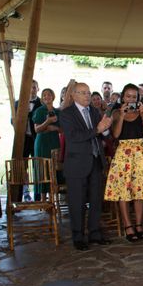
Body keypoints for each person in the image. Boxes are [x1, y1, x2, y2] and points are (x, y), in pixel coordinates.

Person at [104, 84, 143, 242]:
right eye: (128, 96)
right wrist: (121, 116)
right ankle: (128, 226)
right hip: (123, 153)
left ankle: (139, 224)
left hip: (140, 153)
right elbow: (115, 134)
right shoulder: (116, 113)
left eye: (134, 97)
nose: (130, 99)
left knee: (140, 191)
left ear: (138, 99)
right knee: (124, 191)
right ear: (123, 97)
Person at [59, 82, 112, 250]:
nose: (87, 95)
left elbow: (102, 134)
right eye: (83, 92)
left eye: (88, 92)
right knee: (77, 202)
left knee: (96, 200)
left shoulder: (94, 111)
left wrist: (105, 130)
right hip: (76, 164)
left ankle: (95, 233)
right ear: (73, 95)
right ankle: (78, 236)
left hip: (96, 161)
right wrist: (98, 129)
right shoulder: (67, 114)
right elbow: (74, 136)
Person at [14, 80, 42, 201]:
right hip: (23, 139)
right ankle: (23, 194)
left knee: (38, 167)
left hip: (37, 139)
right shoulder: (18, 103)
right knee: (22, 167)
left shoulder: (42, 103)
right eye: (29, 88)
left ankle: (38, 197)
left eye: (34, 87)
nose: (32, 90)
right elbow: (12, 120)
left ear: (38, 88)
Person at [32, 88, 61, 199]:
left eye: (49, 95)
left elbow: (62, 129)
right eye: (44, 95)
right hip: (42, 142)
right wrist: (47, 122)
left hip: (54, 141)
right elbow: (37, 129)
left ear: (53, 96)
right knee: (43, 168)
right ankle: (43, 199)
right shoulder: (39, 111)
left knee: (54, 167)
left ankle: (53, 199)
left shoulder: (58, 111)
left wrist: (54, 128)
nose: (46, 97)